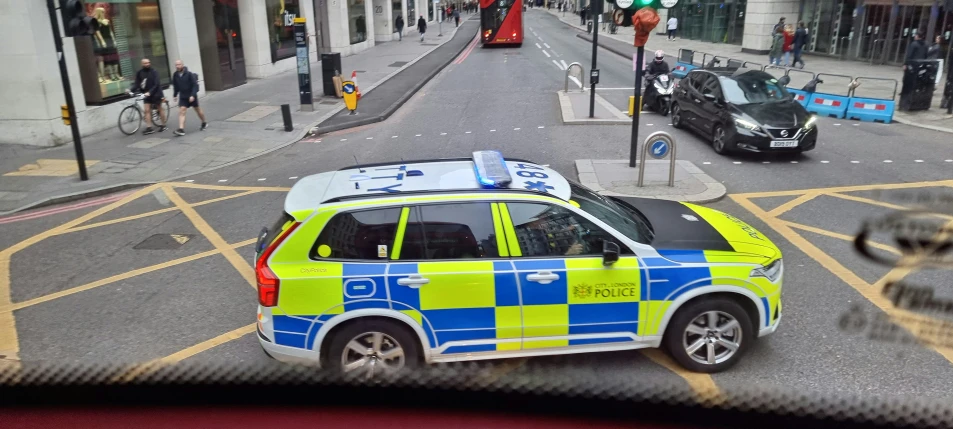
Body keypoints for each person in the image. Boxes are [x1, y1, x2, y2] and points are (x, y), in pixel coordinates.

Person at [171, 60, 207, 136]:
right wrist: (175, 95)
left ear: (182, 65)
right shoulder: (175, 75)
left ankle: (204, 122)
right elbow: (176, 86)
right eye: (176, 65)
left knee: (198, 110)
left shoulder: (189, 74)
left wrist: (193, 95)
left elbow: (194, 85)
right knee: (182, 111)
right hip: (183, 96)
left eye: (179, 64)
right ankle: (181, 129)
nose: (177, 66)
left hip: (191, 96)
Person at [131, 58, 167, 135]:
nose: (147, 64)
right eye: (145, 63)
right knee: (147, 110)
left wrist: (150, 92)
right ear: (142, 64)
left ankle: (163, 125)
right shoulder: (139, 73)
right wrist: (131, 90)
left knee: (159, 109)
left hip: (156, 93)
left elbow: (156, 84)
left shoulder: (154, 72)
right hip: (146, 94)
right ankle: (149, 128)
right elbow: (137, 83)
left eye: (148, 63)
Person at [900, 32, 927, 110]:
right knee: (917, 84)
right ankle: (914, 99)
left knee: (907, 83)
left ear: (917, 36)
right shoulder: (926, 45)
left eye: (915, 35)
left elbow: (909, 55)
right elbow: (926, 55)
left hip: (912, 65)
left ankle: (905, 102)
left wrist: (905, 64)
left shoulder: (914, 44)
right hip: (920, 66)